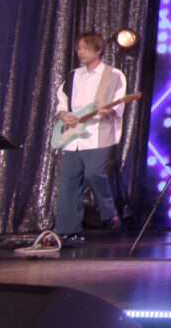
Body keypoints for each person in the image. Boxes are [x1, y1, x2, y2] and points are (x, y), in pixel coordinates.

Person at [53, 32, 126, 240]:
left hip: (98, 133)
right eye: (79, 48)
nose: (81, 52)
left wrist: (109, 110)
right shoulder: (73, 76)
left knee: (93, 173)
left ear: (98, 50)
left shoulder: (114, 75)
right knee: (69, 182)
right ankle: (68, 230)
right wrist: (63, 114)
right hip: (74, 136)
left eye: (85, 48)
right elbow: (62, 99)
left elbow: (118, 103)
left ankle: (109, 212)